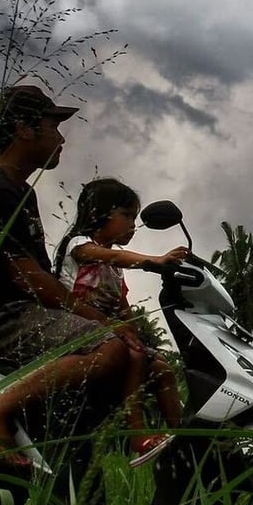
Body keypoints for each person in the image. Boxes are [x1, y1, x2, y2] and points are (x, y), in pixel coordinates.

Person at [0, 84, 138, 466]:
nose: (62, 137)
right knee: (109, 346)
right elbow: (30, 277)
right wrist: (101, 322)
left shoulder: (19, 190)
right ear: (23, 128)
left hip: (24, 316)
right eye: (53, 126)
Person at [53, 178, 186, 461]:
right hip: (74, 327)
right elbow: (111, 256)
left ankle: (185, 437)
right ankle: (137, 435)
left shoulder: (115, 268)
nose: (132, 225)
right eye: (126, 215)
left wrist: (133, 331)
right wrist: (154, 261)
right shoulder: (80, 245)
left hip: (106, 332)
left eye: (134, 218)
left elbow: (121, 304)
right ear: (98, 213)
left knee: (162, 367)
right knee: (136, 357)